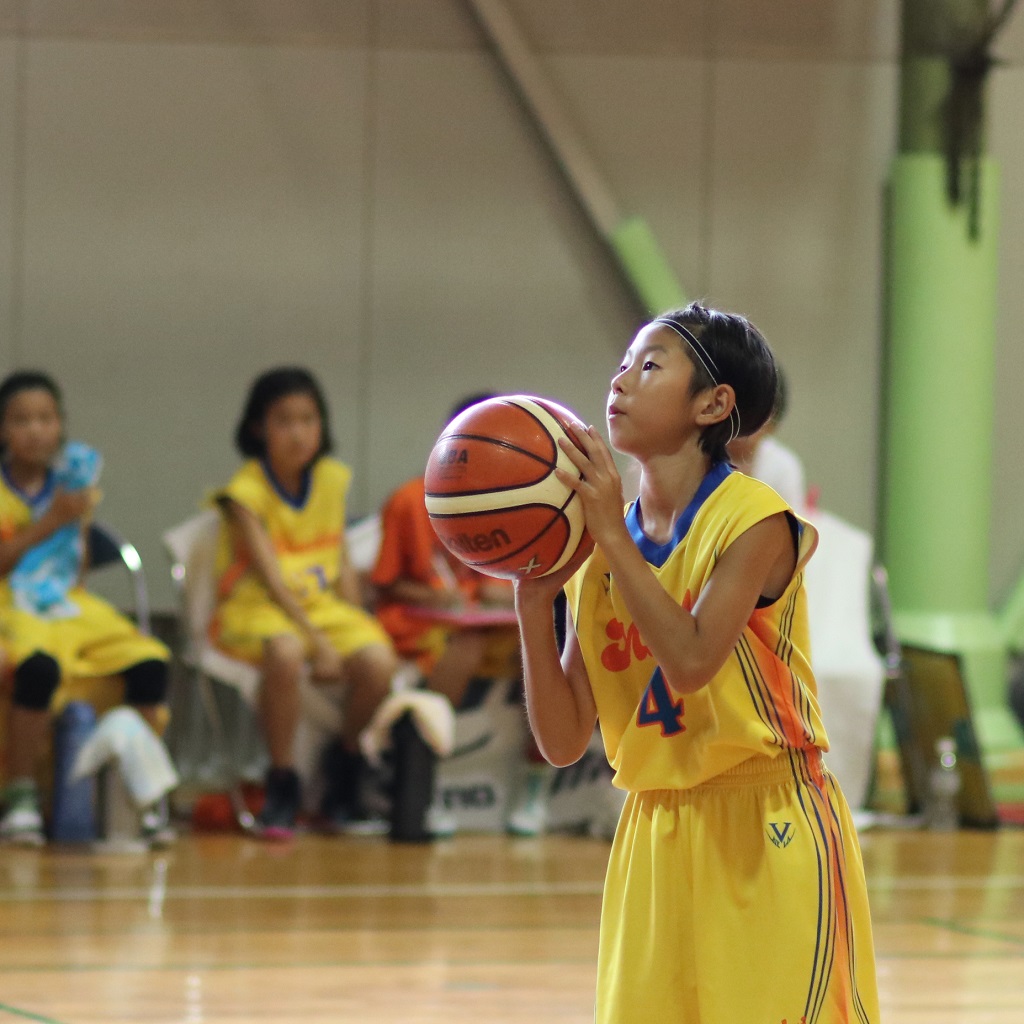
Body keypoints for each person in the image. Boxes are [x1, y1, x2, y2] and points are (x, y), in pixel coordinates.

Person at [512, 304, 879, 1021]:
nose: (620, 381)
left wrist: (610, 542)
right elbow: (560, 743)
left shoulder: (755, 520)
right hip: (653, 827)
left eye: (649, 366)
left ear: (714, 404)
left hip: (770, 818)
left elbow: (688, 661)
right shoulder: (597, 553)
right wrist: (531, 608)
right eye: (621, 364)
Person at [211, 367, 399, 839]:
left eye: (308, 420)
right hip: (258, 607)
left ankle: (345, 762)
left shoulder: (332, 480)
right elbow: (272, 581)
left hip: (319, 608)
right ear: (258, 428)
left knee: (379, 662)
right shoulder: (245, 493)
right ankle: (283, 781)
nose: (298, 433)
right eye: (284, 421)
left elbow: (338, 560)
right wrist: (319, 643)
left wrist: (354, 621)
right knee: (287, 653)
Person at [370, 394, 554, 836]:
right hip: (422, 622)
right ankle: (426, 788)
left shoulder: (517, 498)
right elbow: (385, 583)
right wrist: (434, 598)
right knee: (464, 651)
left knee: (550, 647)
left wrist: (499, 590)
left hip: (487, 621)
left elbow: (506, 576)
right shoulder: (409, 500)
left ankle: (536, 788)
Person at [0, 371, 171, 846]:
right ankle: (20, 797)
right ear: (3, 430)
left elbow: (73, 566)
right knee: (36, 668)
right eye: (21, 419)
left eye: (45, 418)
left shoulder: (74, 484)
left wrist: (70, 526)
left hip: (63, 601)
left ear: (60, 426)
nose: (35, 429)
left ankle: (144, 793)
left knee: (149, 661)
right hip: (11, 599)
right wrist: (48, 522)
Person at [727, 364, 808, 512]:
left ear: (773, 425)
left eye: (755, 413)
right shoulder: (700, 455)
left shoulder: (783, 467)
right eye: (737, 408)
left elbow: (792, 530)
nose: (742, 422)